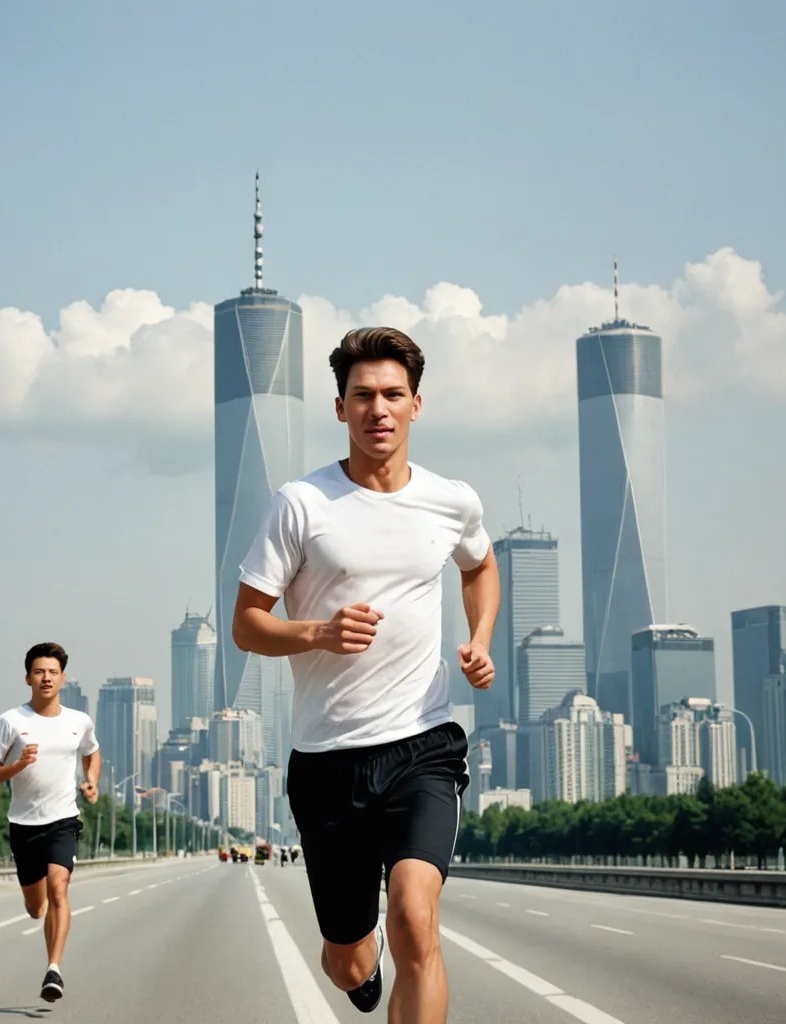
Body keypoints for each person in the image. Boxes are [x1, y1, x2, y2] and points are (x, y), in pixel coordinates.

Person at [233, 327, 499, 1023]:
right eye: (362, 396)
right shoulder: (302, 505)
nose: (377, 408)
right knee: (346, 958)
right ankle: (359, 962)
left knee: (416, 918)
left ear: (416, 405)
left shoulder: (452, 501)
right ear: (340, 408)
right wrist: (317, 632)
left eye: (392, 394)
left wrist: (479, 638)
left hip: (424, 743)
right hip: (328, 760)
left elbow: (480, 565)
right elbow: (246, 624)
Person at [0, 641, 100, 1004]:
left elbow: (92, 754)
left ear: (63, 678)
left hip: (64, 819)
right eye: (39, 672)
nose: (46, 678)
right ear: (28, 678)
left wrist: (92, 782)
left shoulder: (79, 721)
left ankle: (54, 969)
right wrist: (17, 766)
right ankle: (42, 911)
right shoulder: (11, 721)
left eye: (52, 672)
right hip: (24, 824)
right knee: (36, 907)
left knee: (59, 887)